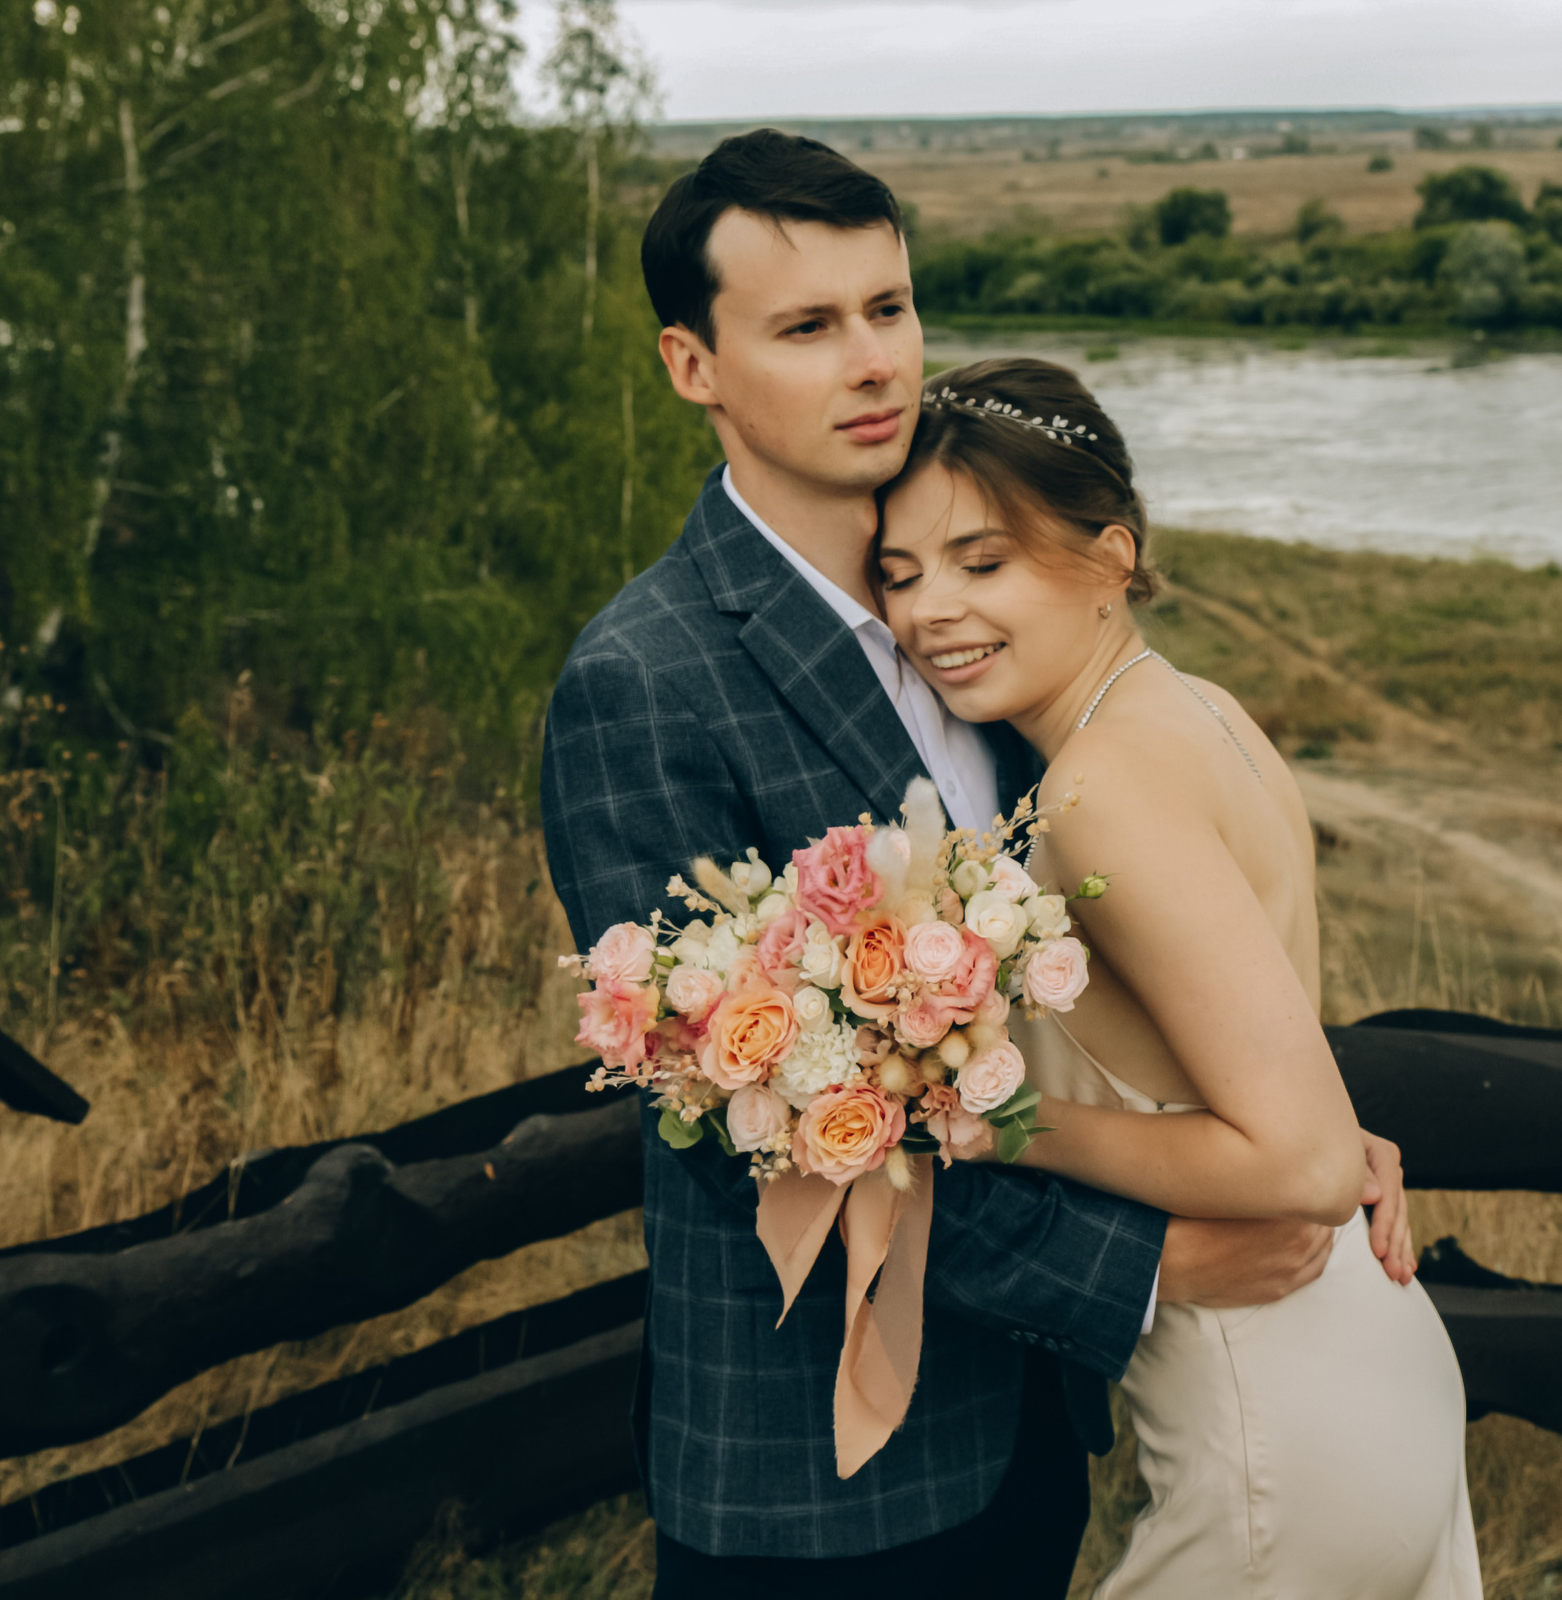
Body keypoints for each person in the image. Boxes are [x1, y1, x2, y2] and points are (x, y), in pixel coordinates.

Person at [538, 130, 1404, 1600]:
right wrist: (1141, 1269)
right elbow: (751, 1116)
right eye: (808, 326)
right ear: (695, 365)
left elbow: (1107, 969)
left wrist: (1295, 1129)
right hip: (810, 1470)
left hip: (1024, 1428)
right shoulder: (646, 678)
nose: (873, 360)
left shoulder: (973, 625)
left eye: (890, 308)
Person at [873, 355, 1483, 1599]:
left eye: (981, 563)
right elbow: (1261, 1064)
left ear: (1109, 558)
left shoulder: (1102, 791)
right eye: (900, 573)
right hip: (1370, 1353)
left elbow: (1304, 1165)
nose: (931, 609)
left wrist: (1010, 1130)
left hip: (1278, 1416)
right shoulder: (1200, 712)